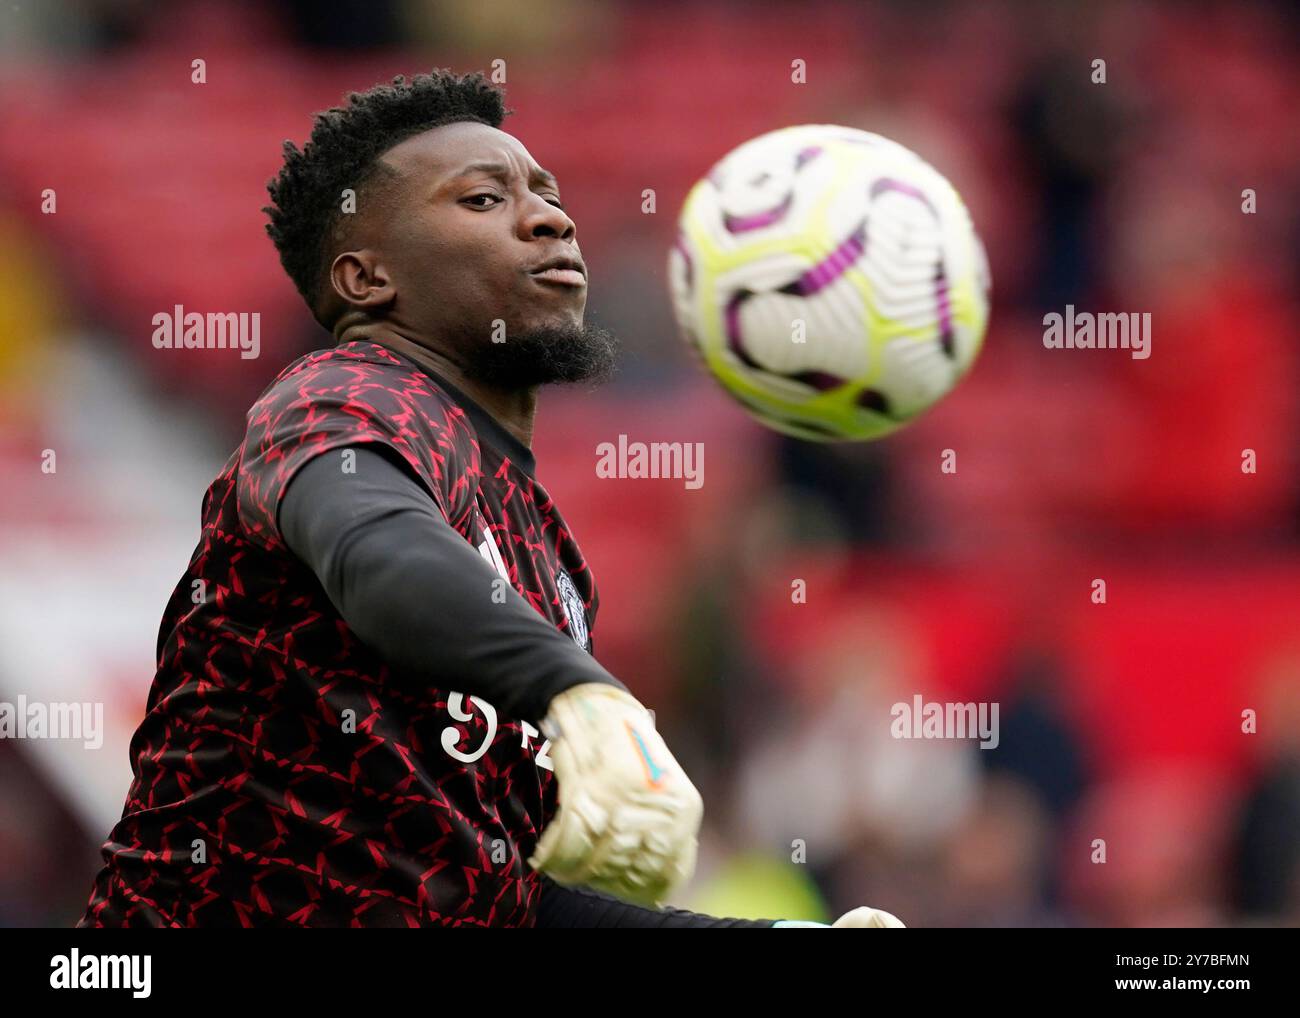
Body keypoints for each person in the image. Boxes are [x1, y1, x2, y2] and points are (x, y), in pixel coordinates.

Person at [77, 69, 900, 929]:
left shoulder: (543, 556)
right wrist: (577, 690)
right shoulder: (343, 398)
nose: (551, 218)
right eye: (482, 199)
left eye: (547, 193)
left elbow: (507, 902)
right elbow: (377, 551)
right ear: (366, 280)